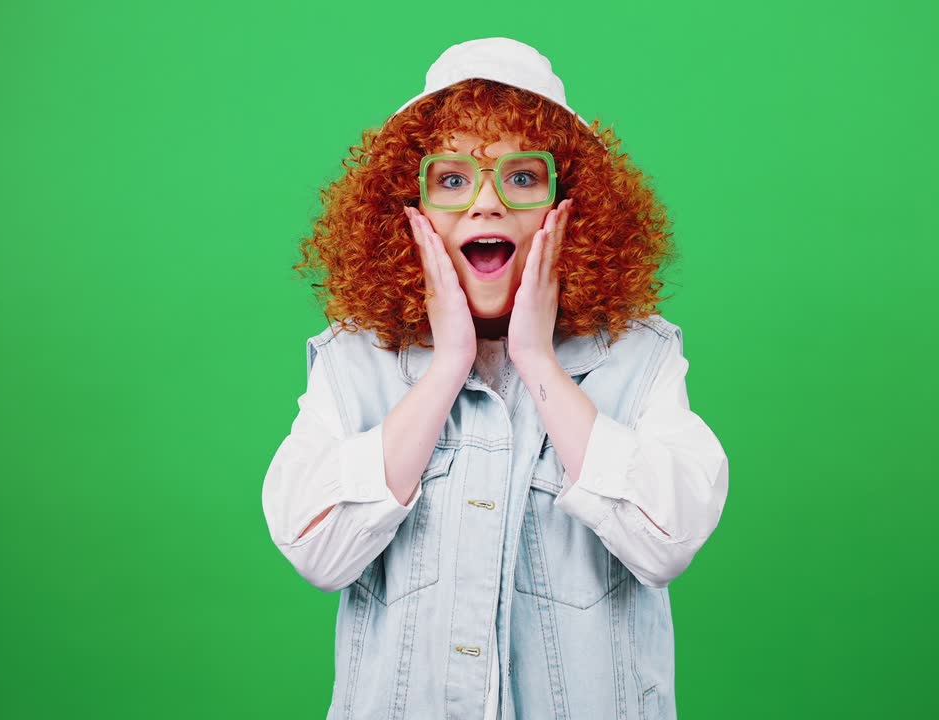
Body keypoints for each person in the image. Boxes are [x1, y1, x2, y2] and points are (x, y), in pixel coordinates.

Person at [262, 37, 729, 720]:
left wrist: (537, 360)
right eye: (452, 179)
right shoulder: (352, 362)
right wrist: (447, 365)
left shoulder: (640, 359)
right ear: (409, 213)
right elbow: (317, 551)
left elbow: (669, 539)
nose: (485, 205)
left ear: (568, 209)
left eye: (521, 176)